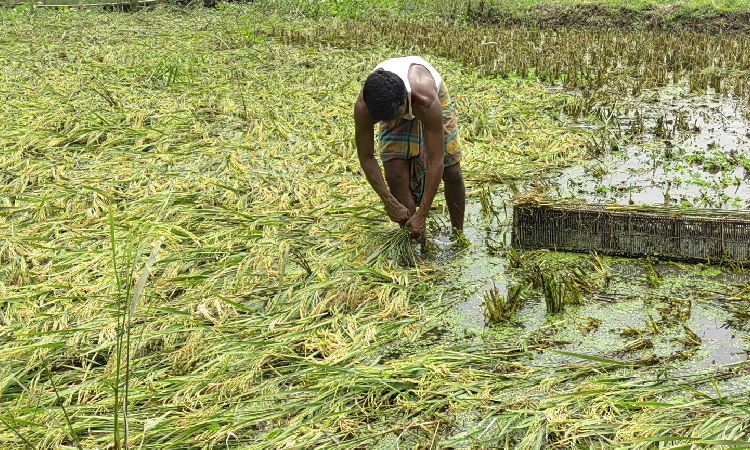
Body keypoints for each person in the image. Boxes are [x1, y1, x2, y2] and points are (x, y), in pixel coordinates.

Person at [353, 56, 465, 244]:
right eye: (384, 121)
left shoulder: (426, 100)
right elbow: (366, 157)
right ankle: (415, 239)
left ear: (405, 98)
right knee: (395, 174)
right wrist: (389, 202)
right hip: (390, 106)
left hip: (426, 99)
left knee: (451, 170)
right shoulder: (365, 107)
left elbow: (435, 160)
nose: (390, 125)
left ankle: (458, 235)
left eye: (394, 118)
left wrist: (423, 213)